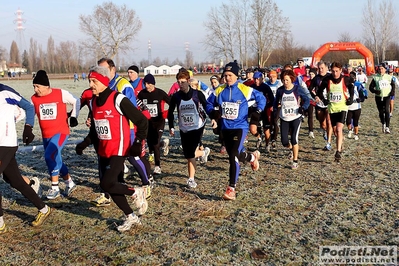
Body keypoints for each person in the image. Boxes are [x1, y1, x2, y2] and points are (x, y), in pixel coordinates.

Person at [88, 66, 148, 232]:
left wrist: (137, 142)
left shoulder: (117, 99)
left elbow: (142, 121)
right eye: (90, 81)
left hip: (120, 148)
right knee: (113, 185)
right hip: (104, 148)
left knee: (106, 183)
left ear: (104, 81)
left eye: (94, 81)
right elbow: (95, 126)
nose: (91, 84)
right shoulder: (93, 101)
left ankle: (136, 191)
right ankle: (131, 216)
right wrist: (86, 141)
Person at [95, 58, 152, 206]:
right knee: (103, 160)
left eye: (103, 70)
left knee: (133, 157)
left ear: (112, 70)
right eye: (98, 70)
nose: (100, 73)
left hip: (126, 128)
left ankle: (146, 183)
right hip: (108, 130)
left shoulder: (123, 85)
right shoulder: (99, 83)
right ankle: (108, 193)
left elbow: (132, 110)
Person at [206, 62, 266, 200]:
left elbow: (261, 98)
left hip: (240, 127)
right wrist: (213, 114)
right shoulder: (220, 90)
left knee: (233, 155)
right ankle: (251, 157)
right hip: (225, 128)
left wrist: (257, 112)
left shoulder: (244, 89)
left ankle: (231, 188)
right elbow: (208, 103)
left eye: (230, 75)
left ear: (236, 75)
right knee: (236, 154)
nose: (227, 78)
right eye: (225, 75)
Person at [0, 83, 52, 232]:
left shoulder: (5, 91)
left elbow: (29, 107)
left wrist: (28, 127)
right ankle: (43, 209)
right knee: (14, 180)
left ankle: (0, 224)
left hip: (6, 144)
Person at [31, 70, 80, 199]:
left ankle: (54, 188)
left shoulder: (60, 93)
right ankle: (70, 183)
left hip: (61, 132)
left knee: (49, 155)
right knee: (55, 159)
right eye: (34, 86)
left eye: (38, 86)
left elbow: (76, 100)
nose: (36, 89)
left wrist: (74, 116)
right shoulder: (34, 99)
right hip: (46, 135)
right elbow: (27, 113)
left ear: (47, 86)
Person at [167, 69, 211, 189]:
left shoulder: (197, 94)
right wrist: (171, 126)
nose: (180, 85)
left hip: (198, 126)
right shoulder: (176, 96)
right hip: (184, 128)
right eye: (178, 82)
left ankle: (191, 179)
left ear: (188, 81)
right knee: (187, 154)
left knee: (191, 152)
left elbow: (207, 107)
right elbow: (170, 113)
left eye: (182, 82)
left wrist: (213, 118)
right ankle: (203, 152)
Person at [317, 62, 354, 162]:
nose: (335, 73)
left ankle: (338, 152)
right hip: (332, 108)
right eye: (333, 71)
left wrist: (351, 98)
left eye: (337, 71)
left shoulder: (345, 79)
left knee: (338, 129)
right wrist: (323, 99)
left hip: (342, 107)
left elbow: (351, 87)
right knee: (334, 130)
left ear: (341, 70)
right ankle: (340, 142)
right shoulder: (327, 80)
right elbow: (319, 91)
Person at [274, 69, 310, 169]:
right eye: (283, 80)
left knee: (294, 138)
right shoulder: (280, 90)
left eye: (287, 80)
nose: (285, 82)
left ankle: (295, 161)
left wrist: (303, 108)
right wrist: (275, 111)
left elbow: (307, 99)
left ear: (292, 80)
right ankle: (291, 148)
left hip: (296, 117)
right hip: (284, 117)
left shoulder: (297, 89)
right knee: (284, 141)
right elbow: (276, 102)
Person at [138, 74, 170, 175]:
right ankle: (163, 144)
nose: (147, 86)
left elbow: (172, 104)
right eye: (145, 83)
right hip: (147, 123)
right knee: (151, 143)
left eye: (149, 83)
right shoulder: (141, 94)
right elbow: (135, 104)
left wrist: (165, 113)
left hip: (159, 122)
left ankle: (157, 166)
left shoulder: (160, 93)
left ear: (153, 83)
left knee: (155, 143)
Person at [309, 60, 332, 148]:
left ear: (326, 68)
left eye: (322, 68)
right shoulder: (316, 78)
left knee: (329, 122)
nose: (321, 70)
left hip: (329, 103)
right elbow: (310, 89)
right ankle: (324, 131)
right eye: (319, 68)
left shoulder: (330, 77)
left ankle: (328, 143)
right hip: (320, 103)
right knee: (323, 124)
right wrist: (315, 97)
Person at [250, 71, 274, 151]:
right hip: (255, 111)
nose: (256, 81)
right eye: (254, 79)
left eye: (258, 79)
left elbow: (272, 99)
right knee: (252, 130)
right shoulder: (251, 87)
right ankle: (259, 138)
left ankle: (267, 144)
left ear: (262, 79)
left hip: (265, 111)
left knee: (266, 130)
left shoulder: (266, 87)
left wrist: (269, 106)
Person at [369, 63, 395, 133]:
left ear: (385, 69)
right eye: (379, 69)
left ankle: (387, 127)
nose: (380, 70)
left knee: (387, 110)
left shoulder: (389, 77)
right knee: (381, 112)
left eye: (382, 69)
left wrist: (392, 92)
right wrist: (375, 91)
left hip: (387, 96)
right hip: (378, 97)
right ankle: (383, 123)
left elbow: (393, 85)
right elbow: (370, 87)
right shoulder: (375, 77)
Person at [266, 70, 283, 149]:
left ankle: (274, 139)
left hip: (278, 105)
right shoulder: (266, 84)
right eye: (270, 77)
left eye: (274, 77)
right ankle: (269, 137)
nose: (272, 78)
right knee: (270, 122)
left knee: (275, 121)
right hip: (269, 105)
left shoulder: (280, 84)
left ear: (277, 77)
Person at [347, 71, 365, 140]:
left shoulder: (358, 85)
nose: (352, 78)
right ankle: (350, 130)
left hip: (357, 107)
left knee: (355, 122)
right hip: (349, 107)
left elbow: (362, 95)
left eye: (353, 77)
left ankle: (356, 134)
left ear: (355, 78)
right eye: (350, 77)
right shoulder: (346, 85)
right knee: (348, 121)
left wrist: (360, 99)